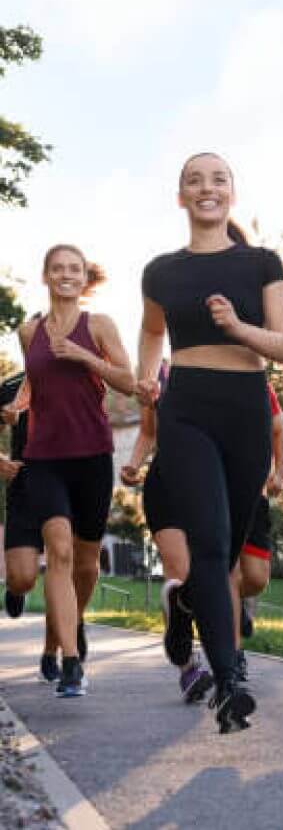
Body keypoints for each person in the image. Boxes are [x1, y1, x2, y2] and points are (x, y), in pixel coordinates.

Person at [136, 152, 283, 733]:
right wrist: (146, 374)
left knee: (223, 557)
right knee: (211, 541)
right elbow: (152, 332)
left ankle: (182, 604)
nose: (207, 188)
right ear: (181, 197)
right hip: (187, 409)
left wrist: (237, 328)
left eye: (218, 179)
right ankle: (229, 682)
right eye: (194, 181)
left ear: (232, 193)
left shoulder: (261, 262)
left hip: (246, 406)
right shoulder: (161, 271)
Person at [11, 245, 134, 697]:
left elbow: (126, 380)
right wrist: (18, 403)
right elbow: (37, 381)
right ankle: (71, 661)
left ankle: (63, 630)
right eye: (57, 268)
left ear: (84, 279)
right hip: (45, 458)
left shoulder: (99, 325)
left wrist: (84, 357)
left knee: (85, 562)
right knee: (58, 552)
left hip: (93, 457)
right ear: (45, 276)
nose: (66, 275)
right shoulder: (29, 333)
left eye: (74, 269)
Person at [121, 360, 214, 703]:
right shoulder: (159, 374)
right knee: (180, 570)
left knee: (209, 572)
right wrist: (134, 462)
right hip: (166, 484)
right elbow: (148, 431)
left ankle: (218, 650)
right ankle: (189, 667)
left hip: (209, 482)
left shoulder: (222, 365)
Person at [231, 383, 283, 682]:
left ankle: (220, 599)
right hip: (217, 493)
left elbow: (281, 433)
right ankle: (233, 657)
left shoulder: (260, 387)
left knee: (255, 578)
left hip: (255, 496)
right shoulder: (203, 376)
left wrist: (279, 473)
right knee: (226, 573)